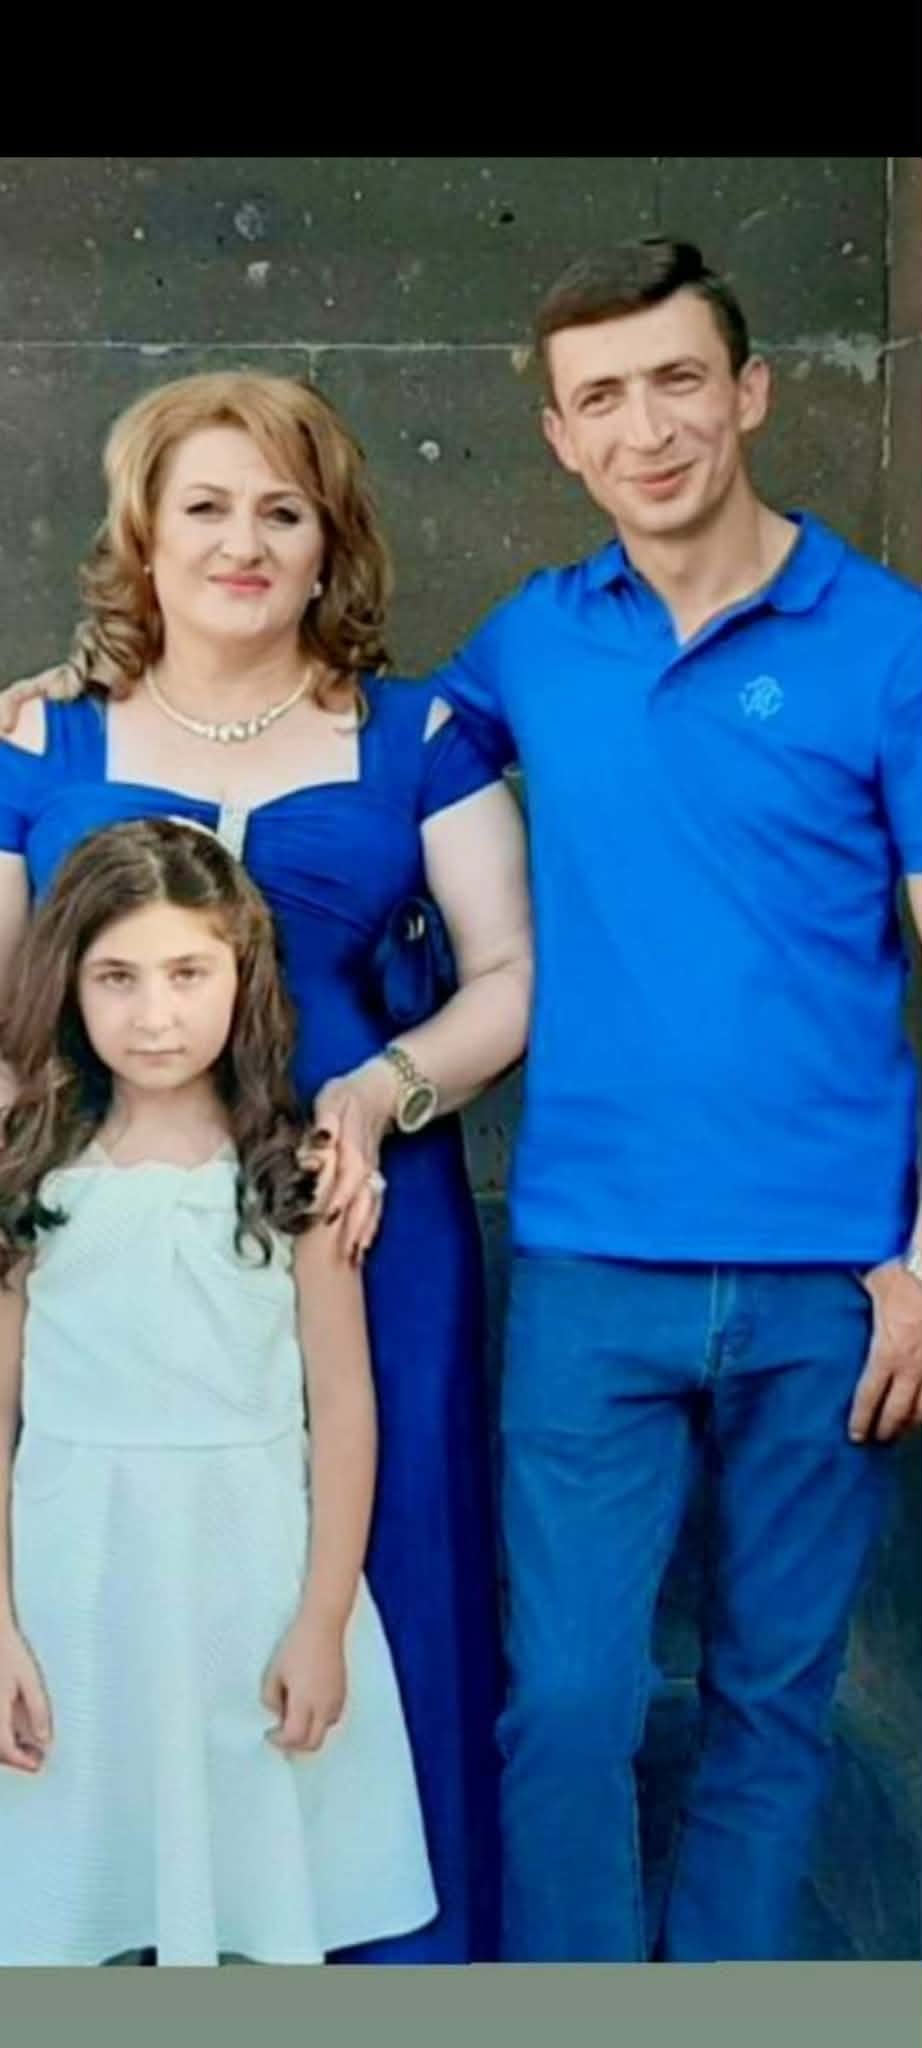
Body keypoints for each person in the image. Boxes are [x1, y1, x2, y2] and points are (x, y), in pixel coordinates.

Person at [424, 238, 922, 1962]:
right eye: (602, 398)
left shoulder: (891, 643)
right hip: (590, 1264)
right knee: (566, 1703)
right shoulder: (529, 645)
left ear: (750, 390)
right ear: (559, 437)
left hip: (831, 1280)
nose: (646, 429)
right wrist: (97, 696)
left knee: (773, 1706)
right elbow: (328, 749)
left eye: (677, 380)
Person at [0, 371, 532, 1964]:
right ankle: (134, 1915)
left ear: (328, 543)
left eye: (281, 512)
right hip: (102, 1210)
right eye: (207, 507)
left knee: (390, 1549)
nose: (243, 542)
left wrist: (375, 1097)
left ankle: (377, 1961)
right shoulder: (37, 737)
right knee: (102, 1550)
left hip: (357, 1208)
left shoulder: (422, 737)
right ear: (142, 534)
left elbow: (509, 976)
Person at [0, 814, 438, 1967]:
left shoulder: (296, 1175)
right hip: (73, 1589)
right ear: (69, 983)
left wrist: (322, 1620)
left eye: (187, 973)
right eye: (118, 976)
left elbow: (342, 1407)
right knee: (68, 1901)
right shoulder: (31, 1173)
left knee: (247, 1899)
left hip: (248, 1582)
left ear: (241, 976)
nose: (155, 1013)